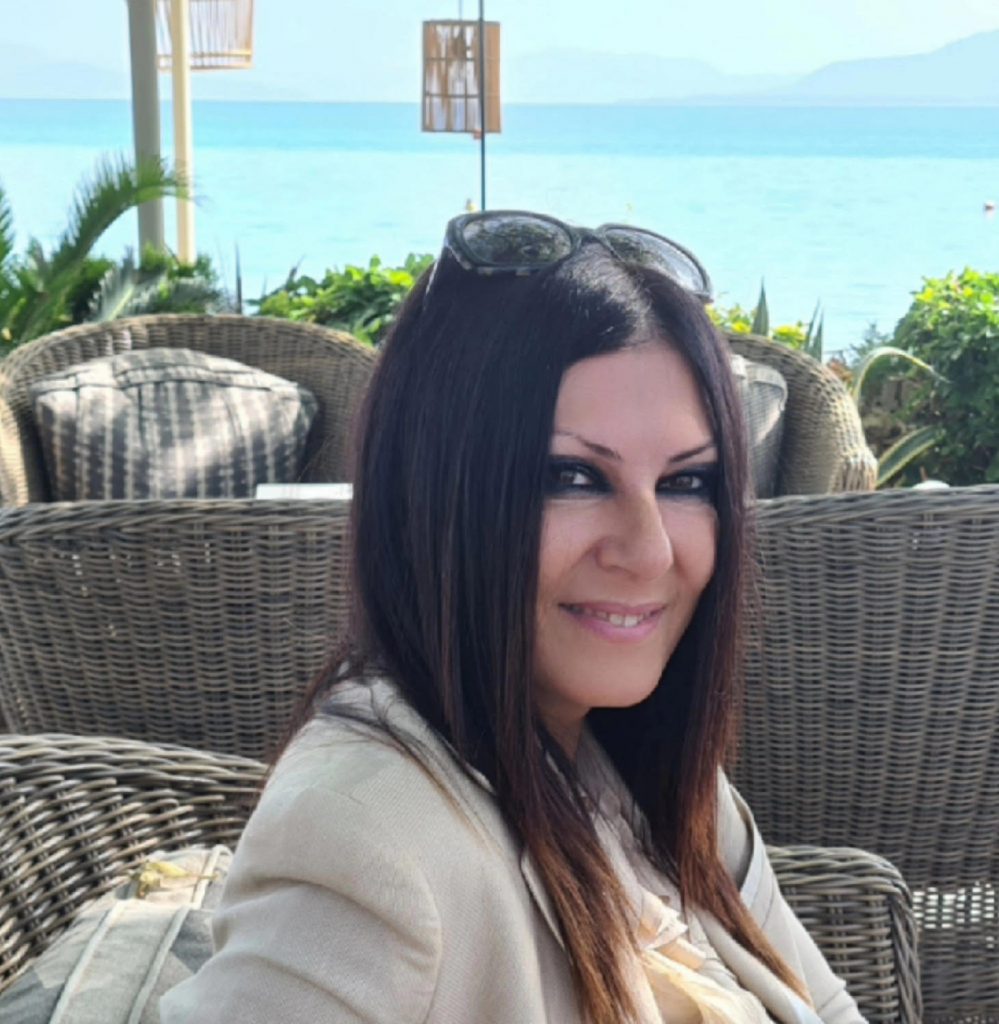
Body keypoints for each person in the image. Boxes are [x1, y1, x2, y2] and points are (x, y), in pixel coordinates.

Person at [161, 212, 865, 1024]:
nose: (648, 552)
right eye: (570, 477)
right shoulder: (365, 842)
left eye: (685, 482)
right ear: (434, 496)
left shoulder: (654, 775)